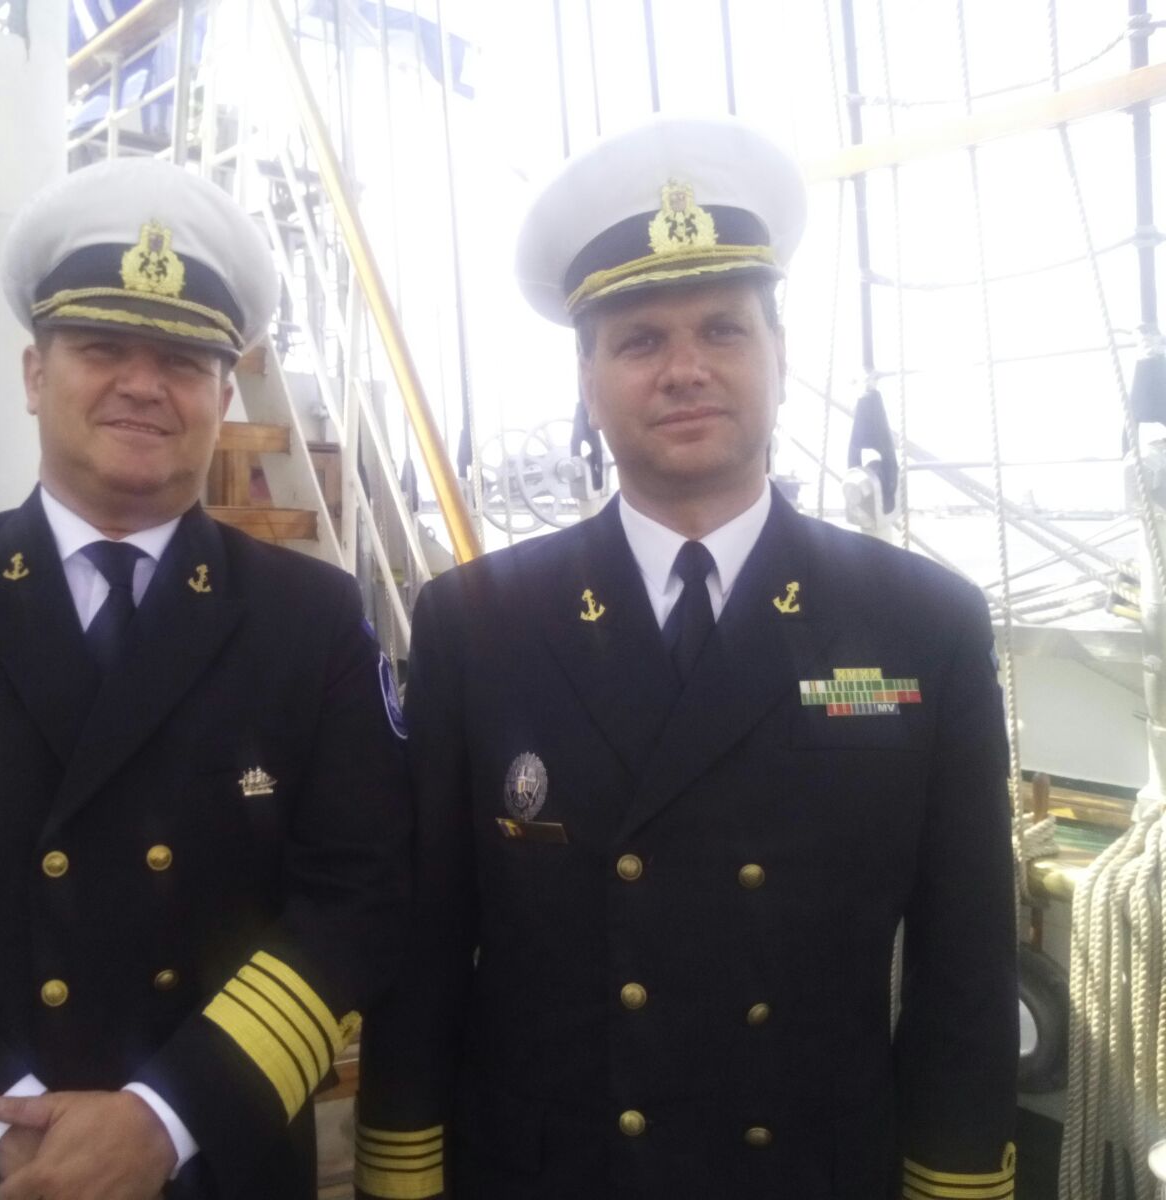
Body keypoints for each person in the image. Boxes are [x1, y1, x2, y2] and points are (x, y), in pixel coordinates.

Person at [353, 116, 1018, 1200]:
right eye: (639, 342)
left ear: (779, 354)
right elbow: (426, 951)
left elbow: (964, 966)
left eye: (722, 329)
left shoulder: (923, 626)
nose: (685, 370)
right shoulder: (476, 623)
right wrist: (401, 1169)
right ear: (587, 378)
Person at [0, 156, 412, 1200]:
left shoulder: (310, 618)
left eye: (184, 360)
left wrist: (162, 1123)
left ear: (223, 394)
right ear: (32, 374)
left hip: (204, 1162)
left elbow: (360, 894)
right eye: (101, 348)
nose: (143, 384)